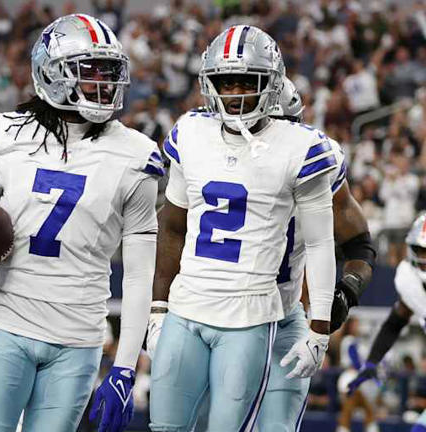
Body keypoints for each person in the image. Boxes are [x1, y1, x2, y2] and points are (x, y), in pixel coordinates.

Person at [0, 14, 163, 432]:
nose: (103, 83)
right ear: (51, 72)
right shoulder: (6, 134)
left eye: (110, 71)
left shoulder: (136, 155)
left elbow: (139, 275)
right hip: (5, 324)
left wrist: (124, 368)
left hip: (78, 338)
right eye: (90, 70)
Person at [147, 25, 337, 431]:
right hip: (186, 306)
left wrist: (319, 328)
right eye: (224, 82)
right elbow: (173, 226)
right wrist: (158, 307)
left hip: (251, 315)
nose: (233, 93)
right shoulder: (191, 132)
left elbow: (321, 243)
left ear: (270, 84)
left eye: (246, 82)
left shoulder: (302, 146)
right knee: (164, 427)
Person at [184, 77, 377, 432]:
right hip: (217, 314)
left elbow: (361, 245)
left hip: (284, 318)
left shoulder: (314, 166)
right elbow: (172, 235)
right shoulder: (210, 165)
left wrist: (346, 291)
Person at [347, 214, 426, 432]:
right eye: (420, 251)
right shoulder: (412, 284)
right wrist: (372, 361)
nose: (423, 259)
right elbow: (394, 322)